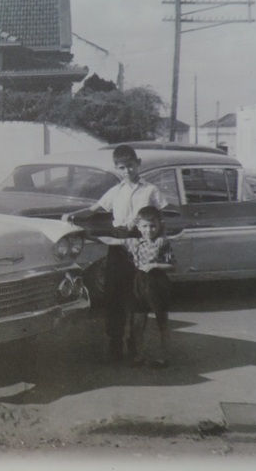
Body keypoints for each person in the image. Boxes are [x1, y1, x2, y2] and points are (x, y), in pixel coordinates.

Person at [63, 144, 168, 362]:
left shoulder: (150, 190)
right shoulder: (116, 191)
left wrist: (155, 244)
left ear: (138, 164)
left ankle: (135, 345)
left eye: (130, 166)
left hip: (140, 243)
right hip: (118, 246)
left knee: (138, 295)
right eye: (122, 167)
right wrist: (72, 215)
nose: (127, 171)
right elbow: (93, 210)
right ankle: (115, 343)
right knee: (114, 294)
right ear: (116, 168)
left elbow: (162, 218)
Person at [120, 205, 175, 368]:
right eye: (144, 226)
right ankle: (139, 355)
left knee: (161, 320)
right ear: (138, 226)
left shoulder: (162, 243)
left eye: (153, 226)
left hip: (157, 282)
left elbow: (173, 265)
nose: (149, 230)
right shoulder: (135, 242)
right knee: (138, 321)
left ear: (159, 225)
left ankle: (163, 356)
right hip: (139, 282)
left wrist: (155, 265)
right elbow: (112, 241)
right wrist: (88, 235)